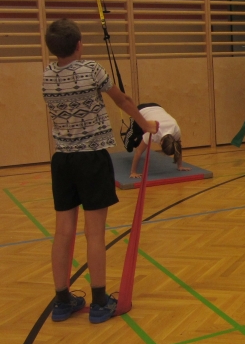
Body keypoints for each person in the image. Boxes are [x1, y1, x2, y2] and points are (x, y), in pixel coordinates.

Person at [42, 19, 158, 323]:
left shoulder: (47, 75)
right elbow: (122, 99)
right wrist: (146, 124)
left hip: (62, 161)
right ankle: (98, 301)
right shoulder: (91, 69)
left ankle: (62, 300)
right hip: (91, 159)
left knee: (63, 231)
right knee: (94, 232)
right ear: (79, 45)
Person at [129, 104, 188, 178]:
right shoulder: (153, 132)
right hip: (141, 110)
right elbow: (139, 152)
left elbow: (178, 147)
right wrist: (133, 172)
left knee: (140, 139)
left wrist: (180, 166)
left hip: (157, 107)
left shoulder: (176, 131)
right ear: (161, 142)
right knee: (131, 145)